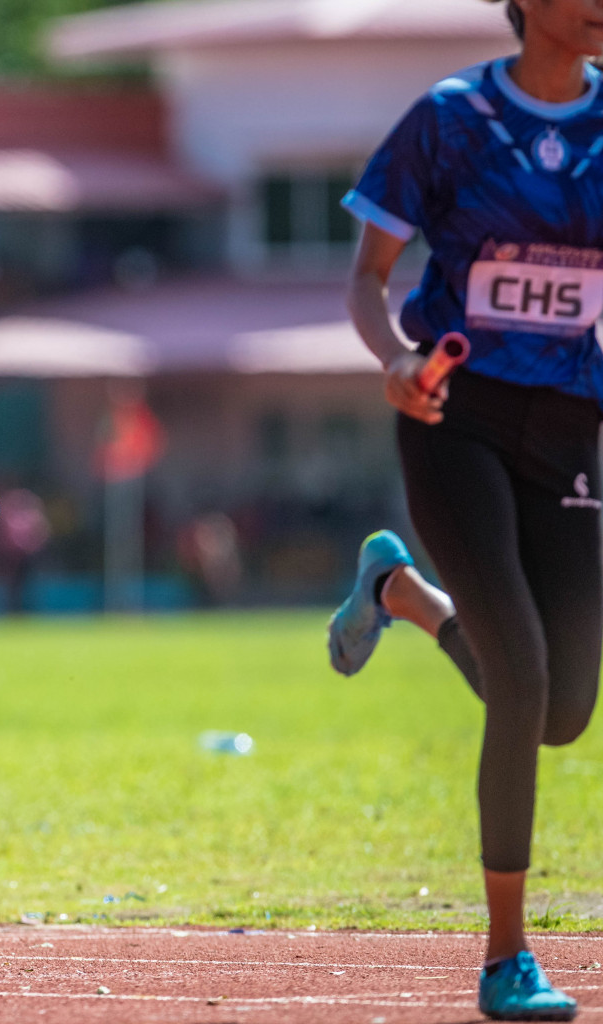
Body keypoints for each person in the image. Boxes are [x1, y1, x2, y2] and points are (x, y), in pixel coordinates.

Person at [329, 1, 603, 1017]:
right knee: (523, 676)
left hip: (573, 424)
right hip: (457, 415)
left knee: (564, 713)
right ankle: (507, 958)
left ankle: (397, 590)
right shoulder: (451, 120)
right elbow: (367, 278)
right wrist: (395, 357)